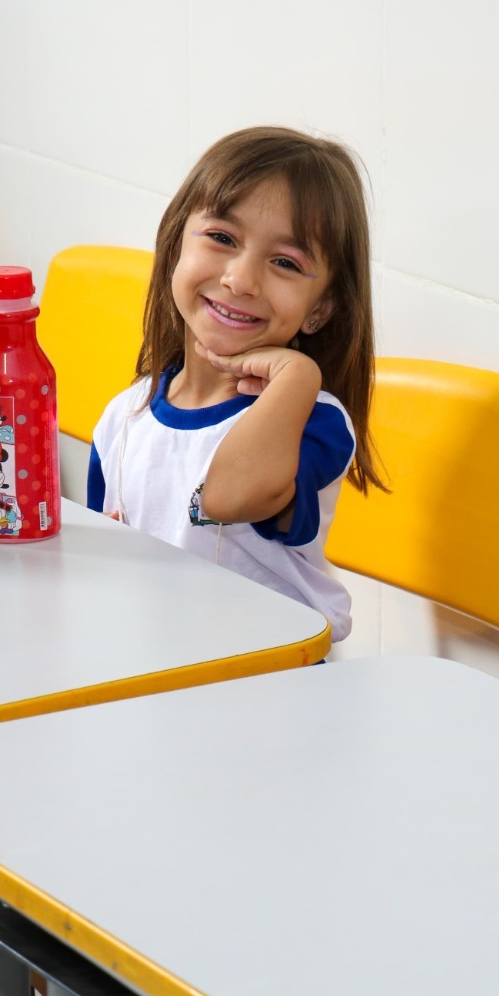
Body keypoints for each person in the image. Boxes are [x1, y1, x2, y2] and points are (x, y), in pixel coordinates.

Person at [88, 127, 381, 643]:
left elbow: (230, 497)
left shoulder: (314, 417)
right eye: (222, 238)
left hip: (272, 676)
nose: (241, 280)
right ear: (176, 245)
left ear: (320, 309)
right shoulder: (125, 416)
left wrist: (299, 375)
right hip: (152, 660)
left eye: (285, 263)